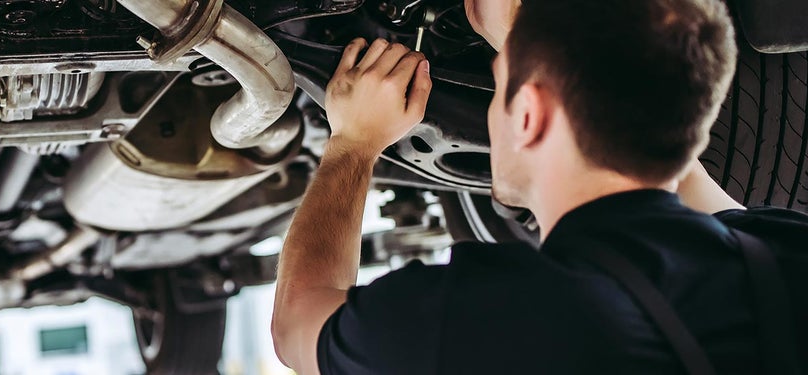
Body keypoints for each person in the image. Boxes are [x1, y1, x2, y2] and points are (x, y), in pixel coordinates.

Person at [271, 0, 808, 374]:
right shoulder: (786, 257)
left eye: (500, 87)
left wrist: (354, 143)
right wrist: (530, 49)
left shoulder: (479, 318)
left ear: (528, 114)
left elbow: (297, 326)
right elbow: (680, 168)